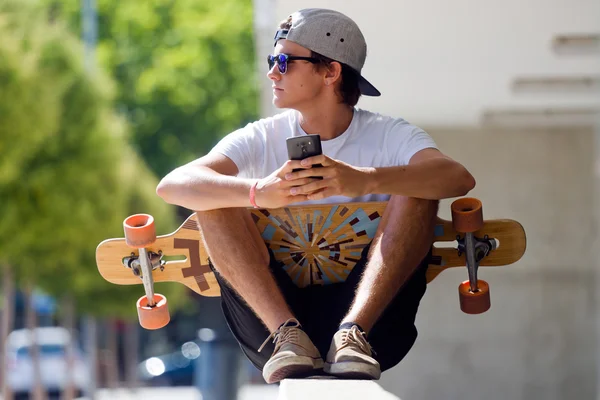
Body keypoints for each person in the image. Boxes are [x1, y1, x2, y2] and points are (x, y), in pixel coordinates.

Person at [156, 8, 475, 384]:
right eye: (271, 60)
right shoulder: (260, 136)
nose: (272, 71)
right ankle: (288, 335)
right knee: (214, 195)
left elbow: (457, 178)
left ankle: (352, 334)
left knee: (419, 187)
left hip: (374, 328)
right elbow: (173, 184)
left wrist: (364, 180)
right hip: (273, 330)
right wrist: (259, 192)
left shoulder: (391, 135)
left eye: (284, 61)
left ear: (330, 71)